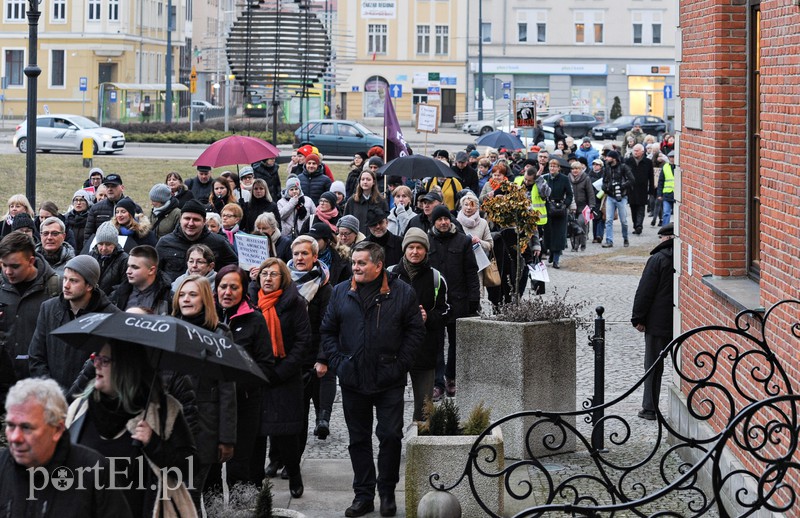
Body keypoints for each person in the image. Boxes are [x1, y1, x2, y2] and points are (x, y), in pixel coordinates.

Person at [321, 241, 424, 517]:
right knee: (358, 439)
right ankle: (363, 495)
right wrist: (340, 363)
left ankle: (387, 491)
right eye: (354, 262)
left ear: (378, 266)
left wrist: (399, 365)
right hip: (353, 378)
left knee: (390, 436)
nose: (355, 267)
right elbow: (328, 331)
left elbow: (415, 333)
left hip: (389, 378)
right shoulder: (341, 292)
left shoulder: (402, 293)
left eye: (361, 263)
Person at [65, 341, 197, 516]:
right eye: (95, 357)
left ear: (126, 367)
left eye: (104, 360)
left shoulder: (162, 411)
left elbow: (190, 467)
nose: (95, 364)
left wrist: (154, 444)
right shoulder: (79, 409)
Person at [2, 378, 134, 517]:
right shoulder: (2, 467)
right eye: (10, 425)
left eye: (27, 427)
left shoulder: (94, 471)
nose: (15, 437)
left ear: (57, 430)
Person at [171, 275, 236, 506]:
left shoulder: (219, 334)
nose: (186, 300)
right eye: (182, 295)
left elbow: (227, 390)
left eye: (193, 294)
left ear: (205, 299)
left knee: (190, 495)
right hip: (172, 427)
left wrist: (226, 438)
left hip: (203, 428)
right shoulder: (168, 329)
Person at [250, 258, 312, 499]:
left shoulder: (295, 303)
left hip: (284, 377)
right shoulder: (250, 302)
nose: (267, 278)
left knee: (286, 433)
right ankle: (254, 484)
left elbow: (303, 342)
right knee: (256, 435)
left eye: (273, 274)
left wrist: (279, 372)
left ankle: (294, 475)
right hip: (256, 376)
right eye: (264, 273)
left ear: (283, 278)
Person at [215, 265, 274, 486]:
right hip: (213, 404)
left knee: (241, 468)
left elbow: (265, 366)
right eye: (223, 286)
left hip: (245, 403)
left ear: (243, 290)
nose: (227, 292)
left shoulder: (254, 319)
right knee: (211, 469)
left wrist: (235, 386)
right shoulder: (209, 316)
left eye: (233, 287)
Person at [28, 256, 120, 389]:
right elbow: (36, 356)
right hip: (51, 397)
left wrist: (77, 396)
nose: (66, 285)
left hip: (87, 399)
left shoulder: (111, 316)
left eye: (73, 281)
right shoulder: (48, 308)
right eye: (65, 278)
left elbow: (108, 367)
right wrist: (51, 392)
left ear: (89, 285)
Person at [389, 229, 448, 422]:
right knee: (390, 404)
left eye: (419, 247)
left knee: (424, 408)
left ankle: (420, 444)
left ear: (426, 250)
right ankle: (392, 442)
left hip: (425, 349)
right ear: (404, 250)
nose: (415, 251)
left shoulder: (436, 278)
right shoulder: (390, 275)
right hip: (393, 350)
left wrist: (428, 317)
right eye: (411, 247)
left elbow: (446, 311)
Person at [427, 205, 480, 401]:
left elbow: (471, 272)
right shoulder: (428, 240)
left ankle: (451, 377)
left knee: (456, 344)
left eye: (446, 219)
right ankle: (437, 382)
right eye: (439, 219)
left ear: (450, 220)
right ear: (434, 222)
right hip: (435, 303)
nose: (443, 222)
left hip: (458, 300)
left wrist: (474, 299)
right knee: (436, 344)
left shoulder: (463, 241)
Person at [287, 236, 335, 445]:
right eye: (296, 253)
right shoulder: (283, 281)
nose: (299, 257)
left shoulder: (324, 287)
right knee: (294, 412)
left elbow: (329, 325)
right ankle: (283, 458)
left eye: (305, 253)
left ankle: (323, 417)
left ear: (315, 257)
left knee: (317, 392)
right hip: (291, 353)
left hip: (315, 350)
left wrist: (323, 357)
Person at [0, 232, 60, 387]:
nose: (8, 272)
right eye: (3, 265)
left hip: (40, 381)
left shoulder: (55, 287)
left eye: (15, 266)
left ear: (31, 261)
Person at [631, 223, 675, 421]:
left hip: (657, 323)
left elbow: (645, 292)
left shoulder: (657, 260)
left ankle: (649, 408)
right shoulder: (679, 258)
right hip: (679, 321)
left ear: (665, 238)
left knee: (653, 366)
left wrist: (638, 318)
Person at [155, 199, 238, 282]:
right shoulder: (165, 243)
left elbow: (233, 267)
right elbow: (155, 272)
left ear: (204, 221)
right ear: (180, 219)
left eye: (196, 219)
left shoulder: (219, 242)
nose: (191, 223)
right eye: (187, 218)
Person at [111, 245, 173, 314]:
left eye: (134, 267)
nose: (128, 271)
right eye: (128, 266)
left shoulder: (169, 298)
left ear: (151, 270)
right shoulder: (117, 294)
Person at [83, 173, 143, 242]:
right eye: (107, 186)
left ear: (122, 188)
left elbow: (141, 234)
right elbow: (88, 236)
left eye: (113, 186)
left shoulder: (135, 208)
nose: (110, 189)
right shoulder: (95, 209)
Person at [543, 159, 574, 269]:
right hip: (548, 209)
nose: (552, 168)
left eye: (554, 166)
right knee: (549, 233)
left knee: (559, 235)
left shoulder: (564, 179)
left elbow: (570, 195)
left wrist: (565, 204)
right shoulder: (545, 178)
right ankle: (551, 252)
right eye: (551, 166)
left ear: (559, 168)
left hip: (560, 209)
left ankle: (556, 259)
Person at [602, 150, 636, 248]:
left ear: (614, 158)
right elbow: (604, 180)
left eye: (608, 157)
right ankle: (609, 241)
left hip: (622, 197)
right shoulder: (607, 168)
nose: (606, 158)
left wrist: (621, 186)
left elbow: (632, 180)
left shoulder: (623, 167)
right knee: (608, 220)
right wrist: (605, 187)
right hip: (610, 196)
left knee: (624, 220)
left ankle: (625, 238)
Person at [90, 221, 129, 296]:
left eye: (108, 244)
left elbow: (124, 285)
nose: (104, 248)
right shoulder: (91, 255)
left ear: (115, 244)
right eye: (100, 244)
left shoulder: (124, 259)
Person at [307, 221, 352, 286]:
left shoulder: (341, 261)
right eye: (310, 239)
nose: (312, 242)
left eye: (316, 239)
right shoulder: (304, 257)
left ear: (326, 240)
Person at [344, 170, 388, 235]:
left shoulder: (381, 201)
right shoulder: (352, 201)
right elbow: (346, 222)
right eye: (363, 179)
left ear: (373, 182)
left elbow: (385, 223)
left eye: (368, 179)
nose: (365, 182)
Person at [625, 144, 654, 235]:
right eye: (634, 150)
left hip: (642, 189)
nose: (635, 152)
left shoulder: (648, 162)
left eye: (637, 150)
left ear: (642, 152)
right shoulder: (628, 161)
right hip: (631, 189)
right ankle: (635, 225)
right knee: (633, 208)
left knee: (641, 207)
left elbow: (651, 177)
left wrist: (651, 190)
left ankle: (639, 225)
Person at [568, 160, 596, 252]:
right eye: (573, 169)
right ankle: (574, 246)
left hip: (583, 207)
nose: (574, 171)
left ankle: (583, 244)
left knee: (581, 224)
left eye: (577, 169)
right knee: (572, 227)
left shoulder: (586, 179)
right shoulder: (568, 178)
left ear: (580, 169)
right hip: (572, 207)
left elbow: (590, 193)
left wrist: (592, 205)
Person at [657, 151, 676, 226]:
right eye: (670, 157)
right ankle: (664, 231)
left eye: (673, 157)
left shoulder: (679, 167)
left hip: (676, 194)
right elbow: (661, 181)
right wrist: (659, 194)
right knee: (666, 213)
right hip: (667, 193)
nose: (672, 159)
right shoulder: (665, 167)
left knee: (677, 214)